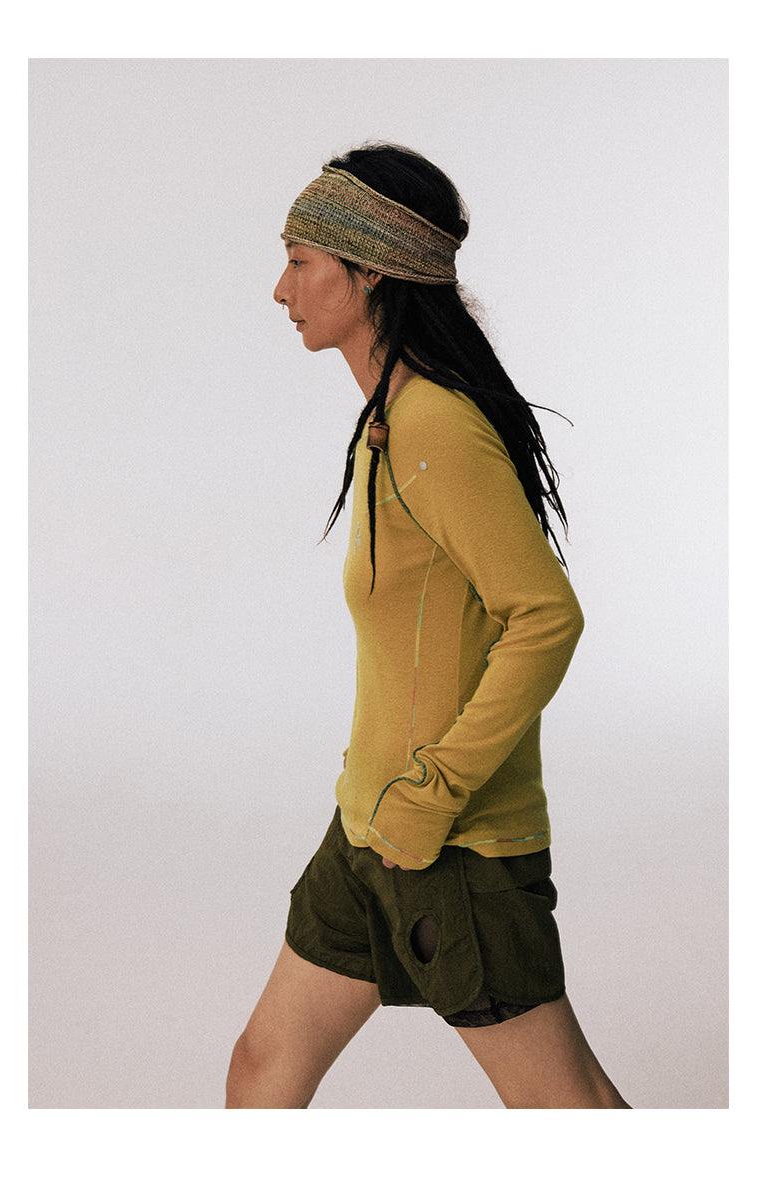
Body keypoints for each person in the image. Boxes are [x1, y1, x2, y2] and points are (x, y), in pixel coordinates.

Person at [225, 143, 630, 1109]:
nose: (281, 289)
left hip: (451, 849)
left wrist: (432, 792)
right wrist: (389, 805)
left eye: (300, 260)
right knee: (262, 1064)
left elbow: (545, 616)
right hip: (365, 833)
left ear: (369, 272)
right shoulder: (390, 420)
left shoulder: (434, 428)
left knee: (568, 1113)